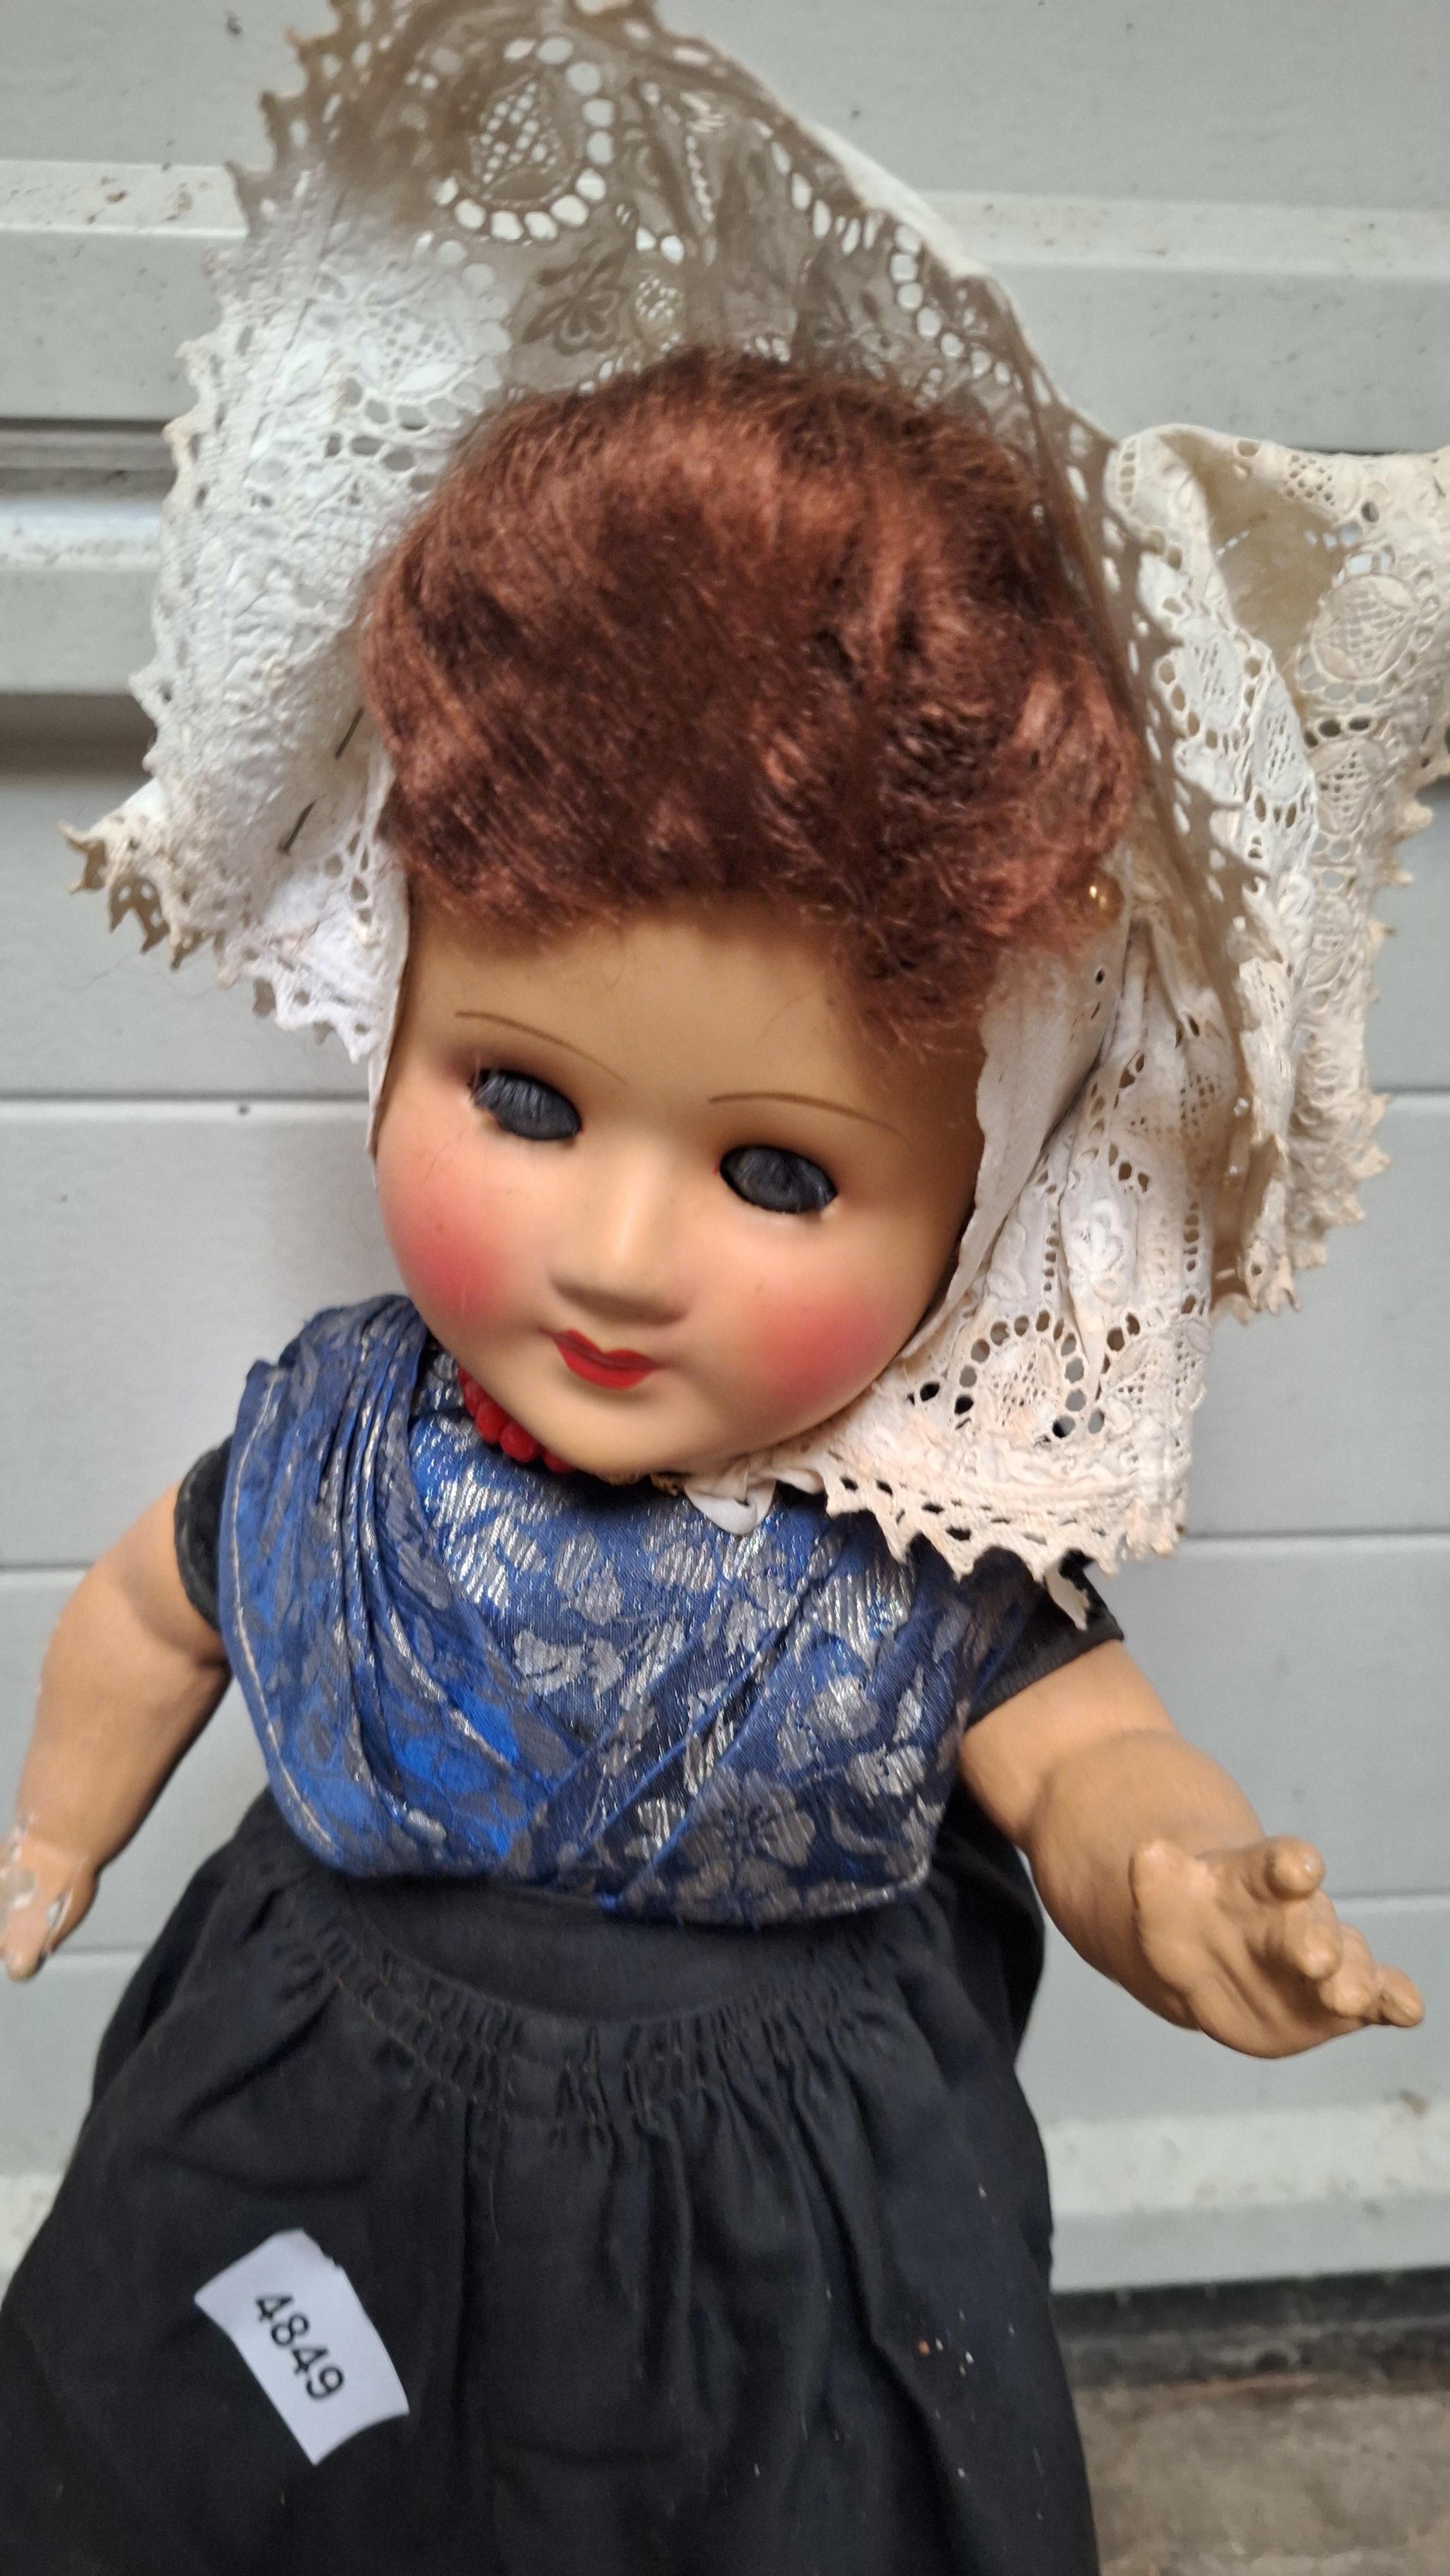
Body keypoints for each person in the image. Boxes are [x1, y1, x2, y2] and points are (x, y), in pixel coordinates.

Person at [0, 349, 1427, 2576]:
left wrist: (1175, 1884)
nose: (618, 1252)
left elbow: (1087, 1755)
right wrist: (51, 1834)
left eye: (778, 1172)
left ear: (980, 1208)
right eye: (526, 1100)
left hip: (772, 2209)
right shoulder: (343, 1447)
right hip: (315, 2117)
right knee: (223, 2492)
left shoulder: (916, 1553)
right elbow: (148, 1606)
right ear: (397, 1022)